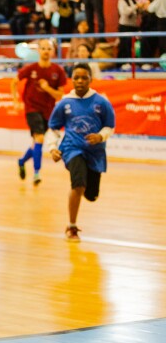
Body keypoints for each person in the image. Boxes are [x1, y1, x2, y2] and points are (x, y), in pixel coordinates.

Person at [46, 63, 115, 242]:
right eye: (76, 77)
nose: (80, 81)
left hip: (95, 153)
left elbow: (110, 126)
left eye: (84, 77)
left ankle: (84, 187)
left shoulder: (101, 102)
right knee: (78, 184)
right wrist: (53, 148)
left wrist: (100, 136)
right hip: (72, 149)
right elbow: (52, 128)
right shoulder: (65, 103)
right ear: (72, 79)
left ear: (90, 79)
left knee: (91, 195)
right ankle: (72, 226)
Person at [11, 38, 67, 186]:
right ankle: (37, 173)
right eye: (43, 48)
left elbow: (59, 95)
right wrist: (15, 100)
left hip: (48, 111)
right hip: (32, 108)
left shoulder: (58, 71)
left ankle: (22, 161)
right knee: (40, 139)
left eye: (49, 49)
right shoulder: (31, 68)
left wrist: (48, 88)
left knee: (37, 142)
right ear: (38, 50)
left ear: (53, 51)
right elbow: (14, 81)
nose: (46, 51)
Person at [117, 0, 139, 70]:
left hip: (133, 26)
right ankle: (124, 62)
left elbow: (137, 12)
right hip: (124, 26)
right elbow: (125, 12)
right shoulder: (121, 1)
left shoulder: (134, 1)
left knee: (133, 46)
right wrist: (135, 6)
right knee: (124, 45)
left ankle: (132, 62)